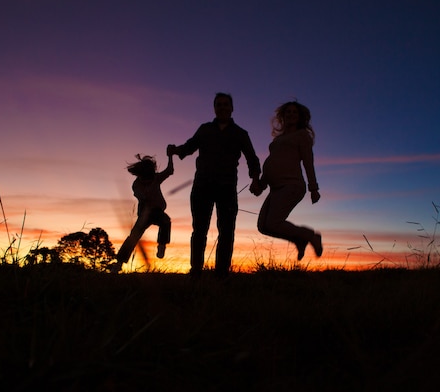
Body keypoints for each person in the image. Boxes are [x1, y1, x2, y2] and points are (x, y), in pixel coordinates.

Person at [168, 92, 262, 278]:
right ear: (214, 108)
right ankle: (196, 271)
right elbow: (189, 147)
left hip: (227, 188)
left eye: (226, 104)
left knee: (226, 232)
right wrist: (175, 150)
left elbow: (252, 159)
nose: (222, 107)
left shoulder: (240, 134)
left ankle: (221, 274)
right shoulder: (204, 129)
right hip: (202, 186)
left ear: (232, 108)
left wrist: (255, 179)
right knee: (199, 230)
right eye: (219, 104)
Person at [252, 101, 323, 260]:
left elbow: (308, 162)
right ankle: (298, 239)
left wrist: (314, 188)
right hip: (275, 188)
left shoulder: (302, 135)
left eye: (294, 112)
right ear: (283, 116)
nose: (291, 115)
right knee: (263, 226)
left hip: (291, 185)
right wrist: (261, 185)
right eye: (288, 112)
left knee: (273, 223)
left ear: (300, 117)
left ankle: (310, 236)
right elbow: (273, 163)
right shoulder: (278, 139)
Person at [116, 151, 174, 269]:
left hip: (157, 211)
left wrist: (170, 156)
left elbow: (169, 171)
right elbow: (141, 196)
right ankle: (118, 263)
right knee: (134, 236)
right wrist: (145, 195)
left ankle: (162, 245)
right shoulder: (136, 184)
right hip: (145, 213)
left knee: (166, 221)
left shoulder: (156, 178)